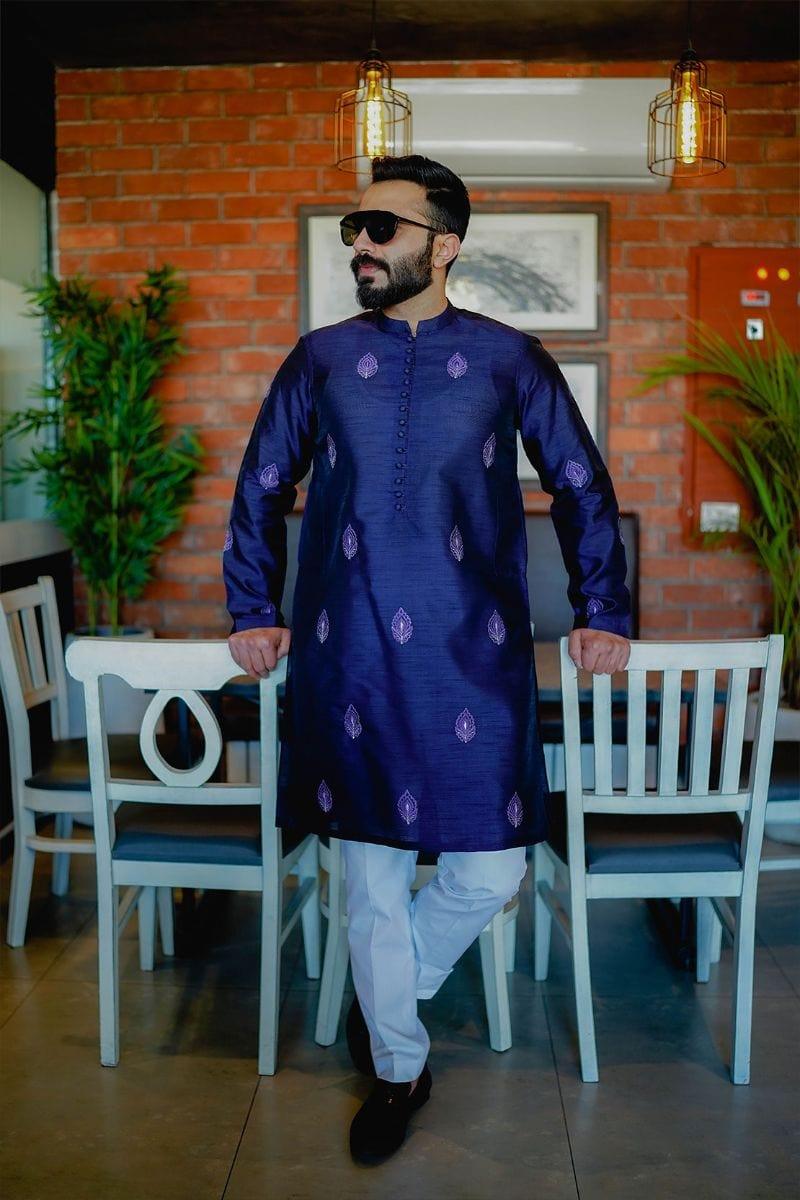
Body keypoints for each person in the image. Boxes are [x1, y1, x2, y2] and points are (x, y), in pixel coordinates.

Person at [224, 154, 631, 1163]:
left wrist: (602, 608)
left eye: (382, 228)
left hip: (474, 655)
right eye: (353, 229)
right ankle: (399, 1067)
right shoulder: (320, 358)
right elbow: (261, 484)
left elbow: (580, 483)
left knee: (492, 870)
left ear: (444, 246)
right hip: (349, 652)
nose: (360, 245)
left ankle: (389, 992)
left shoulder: (507, 359)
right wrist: (252, 607)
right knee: (369, 882)